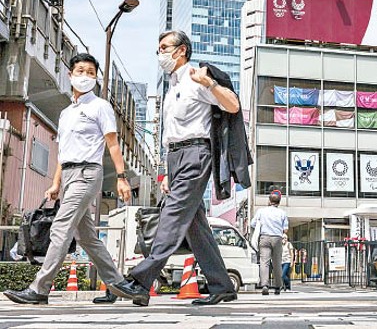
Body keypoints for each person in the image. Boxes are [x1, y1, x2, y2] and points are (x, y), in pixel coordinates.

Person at [109, 30, 240, 306]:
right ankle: (222, 285)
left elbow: (233, 104)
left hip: (196, 153)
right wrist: (169, 171)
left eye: (164, 47)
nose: (160, 54)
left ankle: (140, 281)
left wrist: (211, 85)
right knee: (195, 226)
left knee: (171, 215)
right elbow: (173, 132)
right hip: (176, 156)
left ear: (181, 51)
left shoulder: (196, 78)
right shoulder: (171, 88)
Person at [3, 53, 131, 305]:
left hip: (87, 173)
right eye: (81, 71)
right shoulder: (66, 113)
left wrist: (121, 177)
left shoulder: (100, 106)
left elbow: (113, 144)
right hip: (70, 174)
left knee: (61, 228)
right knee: (88, 238)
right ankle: (117, 285)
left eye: (91, 72)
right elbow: (63, 153)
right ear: (70, 75)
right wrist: (55, 183)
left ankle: (39, 289)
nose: (86, 76)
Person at [251, 190, 289, 295]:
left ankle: (264, 285)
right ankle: (278, 286)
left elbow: (253, 223)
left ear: (269, 201)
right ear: (279, 202)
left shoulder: (261, 211)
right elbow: (285, 229)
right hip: (277, 238)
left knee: (264, 262)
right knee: (277, 263)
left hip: (264, 237)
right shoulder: (282, 213)